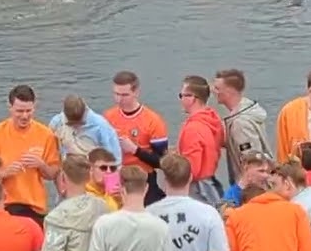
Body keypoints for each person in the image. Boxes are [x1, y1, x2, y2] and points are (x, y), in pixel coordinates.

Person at [0, 84, 61, 223]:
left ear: (35, 106)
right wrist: (4, 173)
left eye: (29, 110)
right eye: (19, 111)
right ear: (10, 107)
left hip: (35, 208)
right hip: (4, 206)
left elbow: (53, 173)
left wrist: (41, 165)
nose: (25, 116)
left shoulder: (46, 134)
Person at [104, 70, 169, 205]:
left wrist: (135, 150)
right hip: (115, 177)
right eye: (116, 94)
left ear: (136, 92)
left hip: (143, 179)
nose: (119, 99)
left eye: (124, 95)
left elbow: (162, 162)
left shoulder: (153, 120)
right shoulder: (108, 117)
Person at [213, 68, 270, 189]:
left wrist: (244, 188)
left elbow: (252, 160)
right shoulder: (248, 110)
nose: (214, 91)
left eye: (218, 89)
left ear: (229, 91)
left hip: (251, 189)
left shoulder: (240, 123)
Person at [176, 74, 225, 205]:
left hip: (197, 188)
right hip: (210, 182)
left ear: (192, 98)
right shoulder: (212, 119)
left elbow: (192, 168)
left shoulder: (193, 128)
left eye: (182, 95)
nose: (180, 99)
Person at [50, 94, 123, 161]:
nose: (75, 127)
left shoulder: (101, 126)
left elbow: (114, 157)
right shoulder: (57, 123)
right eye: (71, 124)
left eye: (79, 123)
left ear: (85, 112)